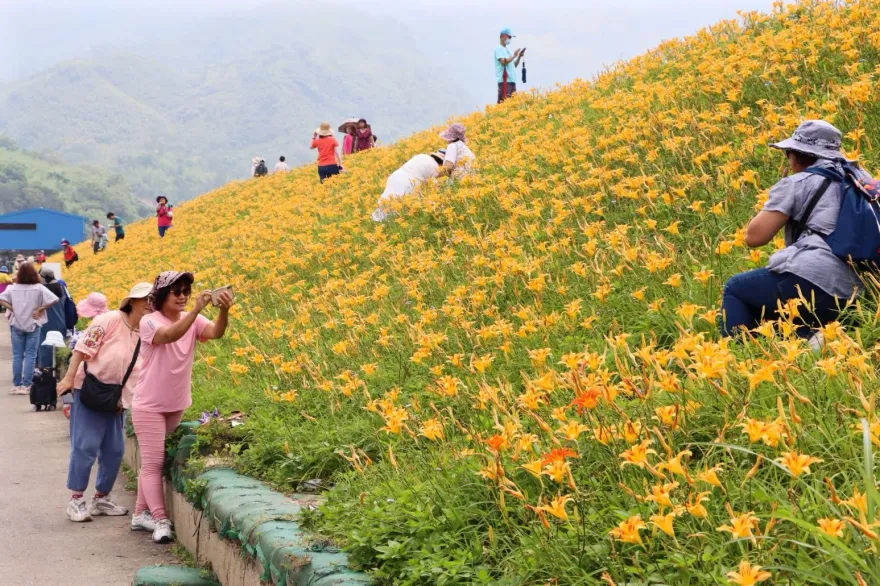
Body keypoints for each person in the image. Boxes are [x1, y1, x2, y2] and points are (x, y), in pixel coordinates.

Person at [721, 120, 871, 344]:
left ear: (795, 155)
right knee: (770, 311)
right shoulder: (862, 180)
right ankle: (811, 340)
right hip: (860, 290)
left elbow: (754, 237)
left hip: (814, 278)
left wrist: (782, 193)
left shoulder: (798, 182)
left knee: (736, 288)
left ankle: (737, 354)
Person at [132, 271, 233, 543]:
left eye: (186, 291)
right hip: (149, 404)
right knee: (153, 463)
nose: (183, 296)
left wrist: (223, 311)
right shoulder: (150, 321)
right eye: (176, 291)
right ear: (162, 295)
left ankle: (140, 513)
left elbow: (216, 332)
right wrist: (196, 309)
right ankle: (160, 520)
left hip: (175, 403)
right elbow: (169, 335)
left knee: (152, 461)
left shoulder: (193, 319)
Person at [57, 283, 152, 523]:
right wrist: (68, 378)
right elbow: (82, 349)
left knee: (114, 450)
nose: (150, 303)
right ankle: (76, 499)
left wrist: (127, 398)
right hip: (90, 390)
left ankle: (101, 498)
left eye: (153, 299)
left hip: (116, 399)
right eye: (145, 298)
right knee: (85, 446)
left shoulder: (147, 330)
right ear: (132, 301)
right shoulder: (108, 320)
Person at [0, 263, 59, 394]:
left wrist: (12, 308)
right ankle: (27, 385)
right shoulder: (39, 288)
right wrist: (40, 309)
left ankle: (16, 385)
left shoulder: (12, 288)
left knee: (17, 355)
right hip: (33, 323)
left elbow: (1, 299)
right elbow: (54, 299)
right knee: (30, 355)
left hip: (17, 324)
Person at [371, 150, 446, 222]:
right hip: (409, 182)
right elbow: (433, 186)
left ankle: (377, 219)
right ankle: (390, 222)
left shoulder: (422, 155)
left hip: (395, 176)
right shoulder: (436, 167)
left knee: (388, 200)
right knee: (401, 207)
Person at [38, 266, 69, 367]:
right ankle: (59, 368)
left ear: (43, 277)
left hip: (44, 323)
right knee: (60, 347)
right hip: (60, 321)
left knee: (44, 347)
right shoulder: (61, 288)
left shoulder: (41, 290)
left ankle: (45, 370)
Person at [495, 28, 525, 103]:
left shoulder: (509, 51)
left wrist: (519, 56)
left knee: (512, 105)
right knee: (504, 103)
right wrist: (514, 56)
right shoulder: (498, 49)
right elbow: (503, 62)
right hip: (504, 81)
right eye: (509, 37)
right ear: (502, 36)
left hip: (512, 81)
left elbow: (514, 65)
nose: (510, 39)